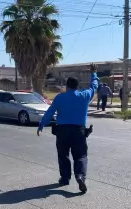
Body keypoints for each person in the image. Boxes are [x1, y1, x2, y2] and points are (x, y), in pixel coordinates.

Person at [37, 63, 99, 194]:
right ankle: (80, 176)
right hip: (79, 131)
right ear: (77, 86)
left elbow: (50, 112)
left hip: (62, 131)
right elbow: (94, 86)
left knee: (63, 155)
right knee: (81, 156)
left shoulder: (60, 97)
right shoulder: (85, 95)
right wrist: (93, 73)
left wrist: (42, 124)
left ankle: (65, 178)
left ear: (67, 86)